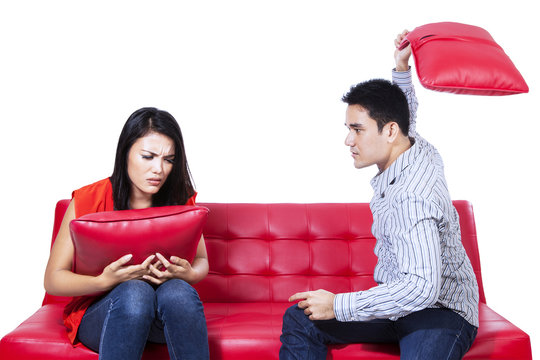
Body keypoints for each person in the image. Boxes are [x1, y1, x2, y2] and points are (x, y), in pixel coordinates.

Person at [279, 30, 479, 360]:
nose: (348, 140)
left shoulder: (412, 197)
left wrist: (339, 304)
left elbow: (422, 289)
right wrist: (401, 67)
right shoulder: (414, 146)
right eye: (348, 129)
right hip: (395, 304)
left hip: (440, 312)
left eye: (356, 129)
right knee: (301, 317)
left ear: (387, 132)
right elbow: (404, 114)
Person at [44, 107, 210, 360]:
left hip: (162, 317)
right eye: (148, 156)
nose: (159, 169)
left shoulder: (180, 199)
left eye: (169, 159)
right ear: (125, 153)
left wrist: (189, 274)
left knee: (178, 290)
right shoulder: (89, 199)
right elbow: (53, 280)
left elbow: (202, 262)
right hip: (103, 315)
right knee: (135, 292)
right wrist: (103, 281)